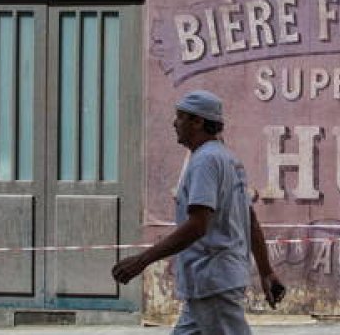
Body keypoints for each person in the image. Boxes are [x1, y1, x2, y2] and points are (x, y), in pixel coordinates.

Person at [111, 90, 283, 334]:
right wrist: (266, 271)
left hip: (212, 280)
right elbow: (250, 220)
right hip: (208, 284)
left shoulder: (206, 161)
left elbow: (198, 225)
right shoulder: (227, 159)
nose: (174, 123)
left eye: (180, 117)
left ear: (198, 121)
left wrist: (142, 260)